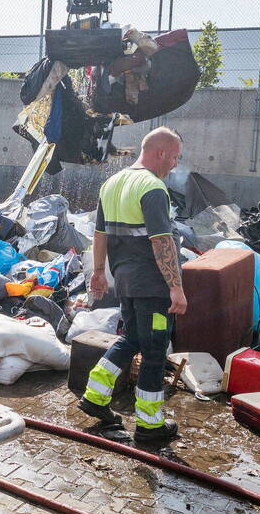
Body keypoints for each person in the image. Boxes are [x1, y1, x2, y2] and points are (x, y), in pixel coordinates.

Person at [78, 127, 187, 444]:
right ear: (161, 152)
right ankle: (151, 425)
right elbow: (161, 241)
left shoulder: (112, 183)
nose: (176, 165)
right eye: (175, 157)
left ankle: (95, 397)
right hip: (152, 286)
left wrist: (99, 271)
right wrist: (176, 287)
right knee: (154, 351)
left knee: (133, 339)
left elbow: (99, 234)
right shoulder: (152, 188)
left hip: (124, 281)